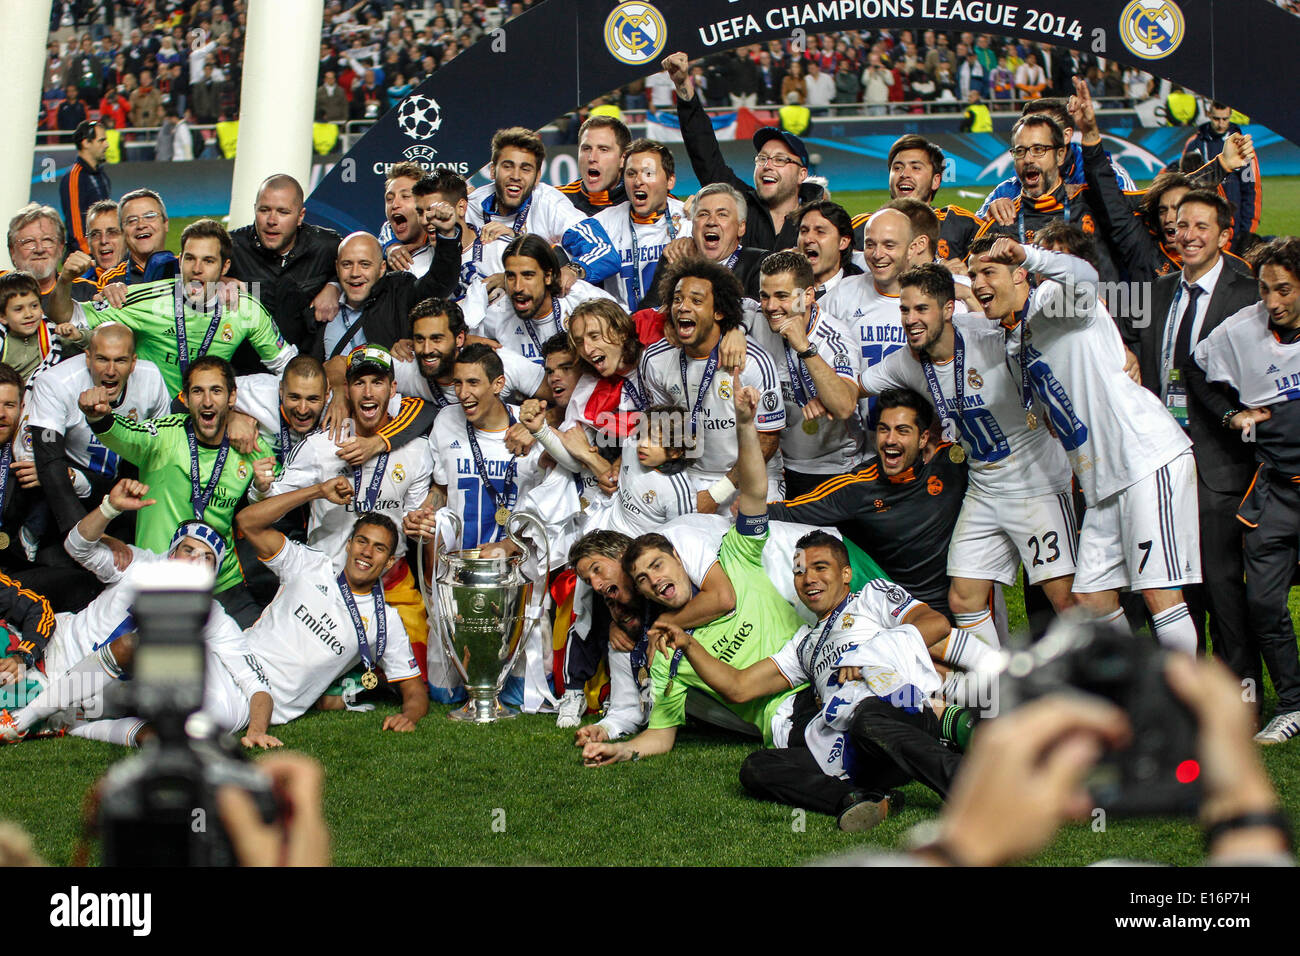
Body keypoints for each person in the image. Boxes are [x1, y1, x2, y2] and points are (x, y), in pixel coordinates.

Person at [973, 235, 1200, 652]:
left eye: (988, 272)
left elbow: (1085, 277)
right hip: (1101, 482)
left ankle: (1187, 714)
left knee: (1159, 595)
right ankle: (1131, 698)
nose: (977, 283)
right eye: (973, 275)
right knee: (1091, 601)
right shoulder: (1014, 338)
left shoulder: (1052, 302)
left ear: (1021, 274)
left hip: (1144, 459)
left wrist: (1032, 253)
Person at [653, 529, 958, 830]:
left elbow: (935, 623)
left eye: (820, 567)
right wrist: (690, 646)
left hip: (898, 717)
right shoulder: (805, 645)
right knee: (757, 768)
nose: (808, 578)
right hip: (860, 755)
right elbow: (739, 687)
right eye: (799, 571)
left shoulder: (870, 598)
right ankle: (859, 799)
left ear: (846, 574)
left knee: (865, 717)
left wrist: (869, 655)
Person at [858, 264, 1077, 665]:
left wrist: (1123, 352)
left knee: (1065, 598)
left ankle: (1106, 691)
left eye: (921, 309)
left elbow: (1060, 337)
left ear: (948, 309)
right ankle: (999, 687)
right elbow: (852, 387)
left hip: (1036, 484)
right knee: (963, 596)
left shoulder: (989, 335)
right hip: (983, 486)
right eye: (905, 311)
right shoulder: (907, 361)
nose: (911, 320)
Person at [580, 385, 803, 766]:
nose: (654, 581)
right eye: (644, 581)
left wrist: (747, 425)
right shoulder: (667, 651)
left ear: (678, 558)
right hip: (788, 716)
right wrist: (619, 747)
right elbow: (659, 737)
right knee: (762, 770)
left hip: (814, 651)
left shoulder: (733, 556)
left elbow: (754, 490)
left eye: (657, 566)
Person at [1, 479, 276, 749]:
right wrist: (109, 508)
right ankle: (26, 720)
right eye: (188, 550)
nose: (194, 561)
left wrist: (256, 731)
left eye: (206, 558)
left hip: (88, 703)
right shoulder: (139, 563)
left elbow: (257, 685)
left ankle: (65, 724)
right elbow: (76, 546)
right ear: (171, 556)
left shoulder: (213, 618)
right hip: (49, 652)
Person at [1127, 189, 1258, 671]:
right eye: (1181, 225)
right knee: (1177, 584)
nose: (1188, 235)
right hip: (1161, 459)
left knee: (1224, 585)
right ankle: (1190, 693)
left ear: (1224, 235)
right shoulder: (1157, 291)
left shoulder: (1246, 292)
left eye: (1201, 226)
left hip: (1220, 460)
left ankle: (1241, 689)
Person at [1187, 236, 1300, 742]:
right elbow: (1195, 366)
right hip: (1274, 492)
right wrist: (1232, 415)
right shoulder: (1243, 329)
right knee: (1263, 604)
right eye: (1264, 290)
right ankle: (1294, 705)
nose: (1272, 302)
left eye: (1285, 291)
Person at [262, 344, 434, 672]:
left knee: (420, 673)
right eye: (359, 383)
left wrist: (419, 521)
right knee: (293, 672)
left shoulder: (417, 450)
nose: (368, 392)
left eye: (378, 382)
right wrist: (261, 488)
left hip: (388, 580)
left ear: (393, 388)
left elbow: (413, 513)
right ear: (347, 390)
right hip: (327, 578)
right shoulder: (319, 445)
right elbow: (272, 506)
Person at [77, 355, 276, 626]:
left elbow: (267, 512)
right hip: (163, 577)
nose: (207, 401)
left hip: (223, 582)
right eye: (198, 391)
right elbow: (124, 434)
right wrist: (99, 417)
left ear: (232, 398)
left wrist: (262, 490)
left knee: (257, 648)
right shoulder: (165, 436)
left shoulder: (253, 449)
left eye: (216, 391)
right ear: (184, 398)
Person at [235, 484, 428, 731]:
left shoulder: (385, 621)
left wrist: (409, 716)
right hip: (235, 661)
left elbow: (414, 690)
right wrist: (316, 491)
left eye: (379, 548)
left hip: (265, 701)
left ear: (390, 561)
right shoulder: (309, 564)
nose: (367, 552)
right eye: (362, 541)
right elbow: (247, 521)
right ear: (348, 544)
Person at [770, 388, 968, 620]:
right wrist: (751, 510)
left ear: (923, 438)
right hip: (896, 608)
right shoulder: (859, 486)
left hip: (958, 600)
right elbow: (787, 512)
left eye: (902, 431)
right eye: (884, 430)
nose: (890, 440)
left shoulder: (951, 463)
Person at [50, 219, 298, 399]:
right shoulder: (147, 298)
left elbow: (287, 366)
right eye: (190, 258)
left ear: (225, 267)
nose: (197, 268)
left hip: (208, 415)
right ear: (180, 261)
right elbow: (68, 316)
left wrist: (250, 415)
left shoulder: (245, 307)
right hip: (149, 421)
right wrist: (65, 280)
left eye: (208, 261)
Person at [638, 257, 786, 506]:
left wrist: (718, 493)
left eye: (696, 301)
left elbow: (768, 439)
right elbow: (663, 427)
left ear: (718, 311)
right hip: (691, 474)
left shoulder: (753, 361)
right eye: (677, 299)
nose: (683, 307)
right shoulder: (655, 359)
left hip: (753, 475)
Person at [661, 51, 826, 251]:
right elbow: (705, 154)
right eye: (762, 158)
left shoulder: (820, 220)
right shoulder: (741, 204)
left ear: (802, 174)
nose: (767, 166)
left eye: (780, 160)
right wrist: (682, 85)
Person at [28, 323, 170, 546]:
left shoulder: (151, 378)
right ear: (87, 358)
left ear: (133, 362)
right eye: (102, 359)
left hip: (125, 480)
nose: (110, 371)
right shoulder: (55, 383)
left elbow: (161, 448)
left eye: (120, 360)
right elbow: (50, 460)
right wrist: (83, 534)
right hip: (74, 480)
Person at [750, 250, 864, 499]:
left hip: (833, 469)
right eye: (764, 296)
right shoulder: (756, 319)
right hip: (779, 464)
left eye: (782, 296)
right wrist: (735, 331)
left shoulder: (832, 338)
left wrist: (805, 349)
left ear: (808, 295)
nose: (771, 306)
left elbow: (845, 405)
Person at [313, 223, 459, 363]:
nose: (355, 273)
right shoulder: (321, 307)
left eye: (365, 264)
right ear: (337, 268)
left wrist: (446, 236)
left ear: (382, 268)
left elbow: (440, 282)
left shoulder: (400, 293)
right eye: (347, 264)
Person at [228, 174, 342, 350]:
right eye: (264, 210)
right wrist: (215, 281)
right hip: (245, 371)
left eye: (283, 212)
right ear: (255, 209)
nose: (272, 221)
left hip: (305, 368)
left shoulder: (326, 246)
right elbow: (185, 287)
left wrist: (335, 284)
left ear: (300, 216)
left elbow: (370, 267)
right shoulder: (230, 248)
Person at [580, 139, 686, 311]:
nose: (638, 181)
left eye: (648, 173)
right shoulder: (603, 224)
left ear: (670, 181)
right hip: (623, 329)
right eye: (631, 174)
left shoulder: (690, 220)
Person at [850, 135, 987, 264]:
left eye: (915, 168)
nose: (904, 174)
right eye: (897, 168)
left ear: (935, 181)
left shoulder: (961, 225)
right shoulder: (860, 227)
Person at [479, 235, 613, 364]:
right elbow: (462, 336)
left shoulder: (581, 298)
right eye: (511, 276)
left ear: (548, 276)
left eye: (528, 276)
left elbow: (628, 328)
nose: (518, 287)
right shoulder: (497, 313)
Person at [393, 296, 545, 410]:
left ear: (459, 339)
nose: (426, 350)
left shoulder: (498, 362)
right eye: (420, 339)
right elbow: (370, 355)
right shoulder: (405, 366)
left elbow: (562, 396)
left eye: (437, 339)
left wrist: (537, 428)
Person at [646, 182, 767, 306]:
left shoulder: (760, 264)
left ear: (741, 227)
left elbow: (753, 318)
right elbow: (647, 313)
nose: (711, 221)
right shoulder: (675, 258)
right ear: (692, 226)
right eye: (703, 214)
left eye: (722, 214)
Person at [1187, 101, 1259, 254]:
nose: (1220, 124)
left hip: (1235, 225)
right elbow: (1186, 184)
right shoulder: (1195, 144)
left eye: (1224, 119)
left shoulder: (1242, 145)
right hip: (1202, 221)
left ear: (1230, 116)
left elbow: (1251, 189)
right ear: (1208, 114)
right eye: (1216, 119)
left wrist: (1248, 231)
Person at [94, 188, 178, 287]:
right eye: (131, 220)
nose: (141, 225)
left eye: (150, 216)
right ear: (123, 232)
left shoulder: (185, 269)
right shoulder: (110, 281)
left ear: (165, 224)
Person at [557, 114, 630, 216]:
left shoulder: (638, 201)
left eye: (603, 150)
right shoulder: (557, 201)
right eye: (586, 149)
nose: (592, 158)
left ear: (623, 158)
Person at [58, 121, 111, 256]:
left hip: (103, 253)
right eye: (101, 141)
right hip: (85, 260)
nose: (107, 145)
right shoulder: (74, 177)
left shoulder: (101, 174)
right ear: (86, 143)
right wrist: (91, 258)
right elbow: (76, 228)